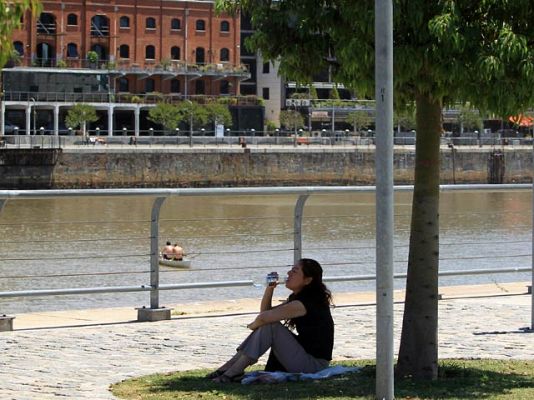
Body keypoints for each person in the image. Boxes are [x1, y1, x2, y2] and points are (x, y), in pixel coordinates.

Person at [207, 258, 334, 383]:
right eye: (290, 270)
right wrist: (270, 288)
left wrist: (253, 325)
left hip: (314, 365)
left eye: (294, 271)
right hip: (305, 358)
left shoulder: (305, 302)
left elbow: (264, 318)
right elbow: (266, 314)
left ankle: (232, 371)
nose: (289, 273)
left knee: (271, 325)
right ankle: (228, 369)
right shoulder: (300, 298)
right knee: (270, 324)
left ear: (307, 280)